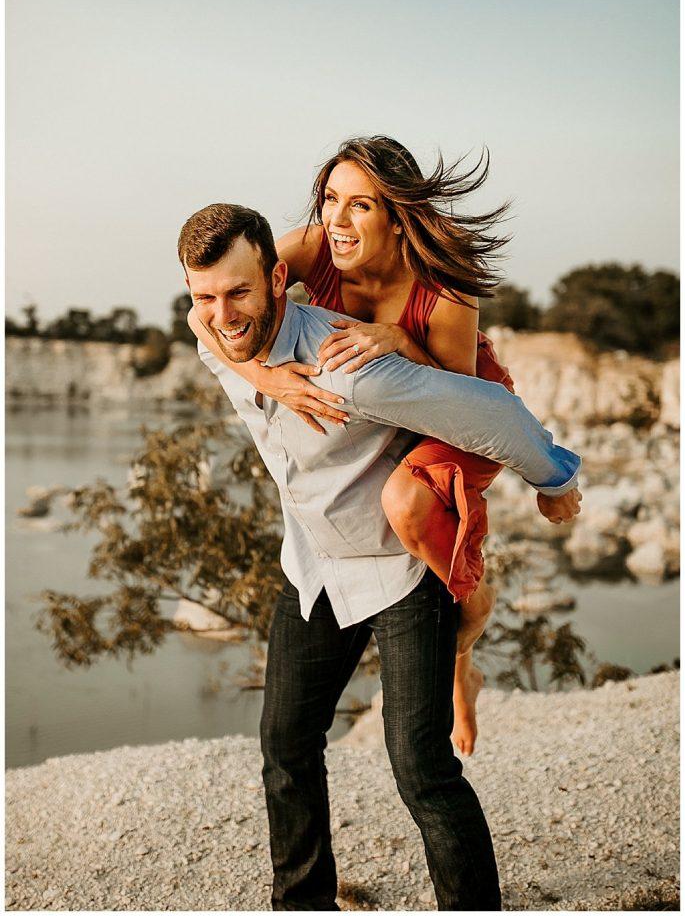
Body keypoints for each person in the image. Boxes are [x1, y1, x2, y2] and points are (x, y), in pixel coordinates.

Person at [179, 202, 582, 910]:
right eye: (204, 297)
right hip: (315, 567)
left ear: (279, 279)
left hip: (401, 572)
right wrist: (263, 377)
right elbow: (210, 334)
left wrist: (555, 481)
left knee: (420, 769)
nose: (222, 313)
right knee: (285, 746)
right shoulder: (221, 335)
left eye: (238, 292)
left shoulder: (350, 367)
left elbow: (494, 414)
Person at [189, 135, 581, 757]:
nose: (336, 222)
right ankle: (449, 638)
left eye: (361, 206)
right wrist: (266, 380)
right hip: (389, 390)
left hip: (457, 393)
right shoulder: (312, 245)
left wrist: (398, 338)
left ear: (399, 217)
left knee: (406, 503)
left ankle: (462, 644)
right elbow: (204, 305)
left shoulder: (446, 286)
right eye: (329, 200)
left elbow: (449, 406)